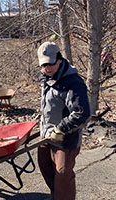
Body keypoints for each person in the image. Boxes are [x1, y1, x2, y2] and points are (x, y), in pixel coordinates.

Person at [36, 42, 91, 200]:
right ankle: (55, 196)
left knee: (62, 175)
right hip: (47, 134)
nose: (48, 68)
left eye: (51, 63)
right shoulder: (46, 79)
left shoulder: (72, 82)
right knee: (45, 166)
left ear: (59, 60)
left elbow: (82, 112)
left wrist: (60, 129)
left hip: (66, 138)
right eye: (44, 64)